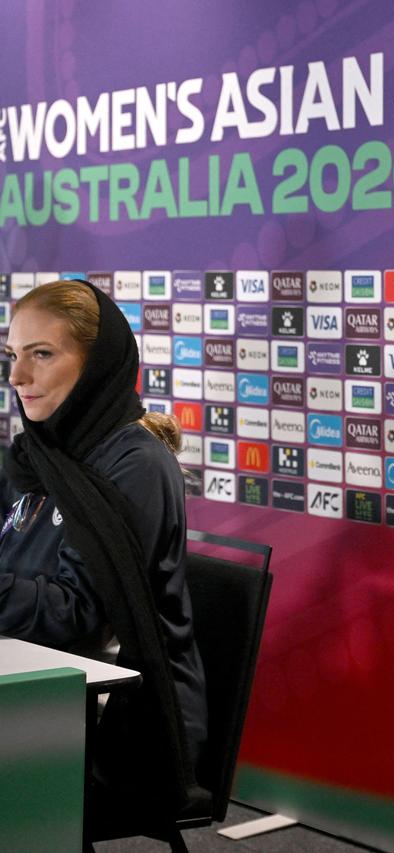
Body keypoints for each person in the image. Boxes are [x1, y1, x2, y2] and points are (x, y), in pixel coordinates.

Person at [0, 279, 208, 828]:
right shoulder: (36, 453)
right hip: (33, 689)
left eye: (41, 355)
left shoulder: (136, 466)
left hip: (118, 720)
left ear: (96, 363)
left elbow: (76, 615)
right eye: (13, 356)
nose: (18, 377)